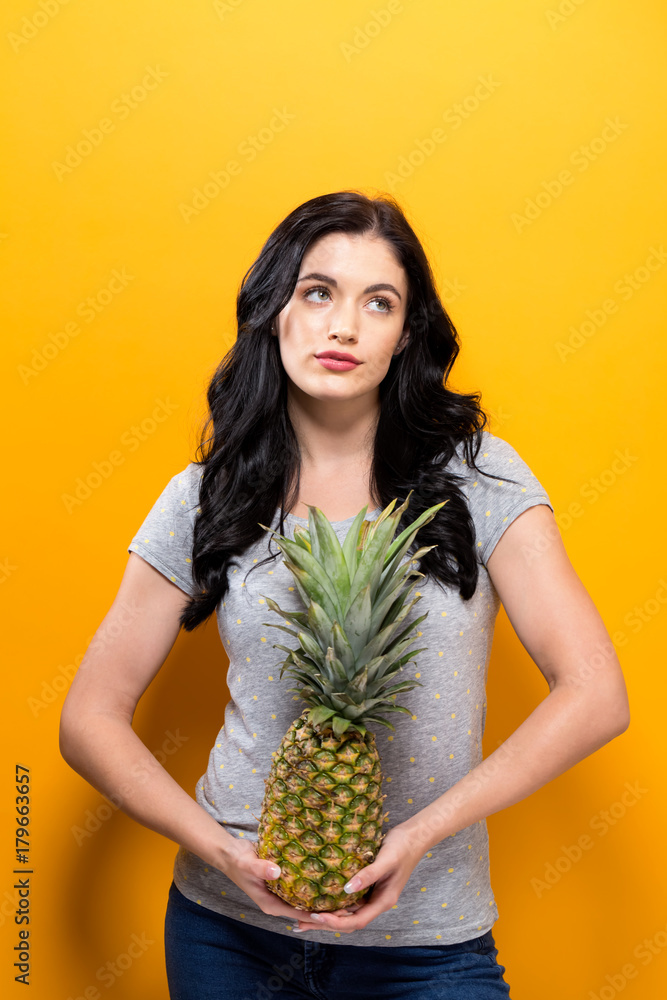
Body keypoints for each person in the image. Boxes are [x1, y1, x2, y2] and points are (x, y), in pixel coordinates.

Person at [60, 190, 630, 999]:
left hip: (428, 945)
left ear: (404, 336)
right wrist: (219, 848)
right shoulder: (207, 495)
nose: (344, 326)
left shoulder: (479, 477)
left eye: (380, 303)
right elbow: (87, 717)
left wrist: (422, 833)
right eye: (317, 291)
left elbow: (596, 693)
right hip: (227, 934)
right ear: (274, 309)